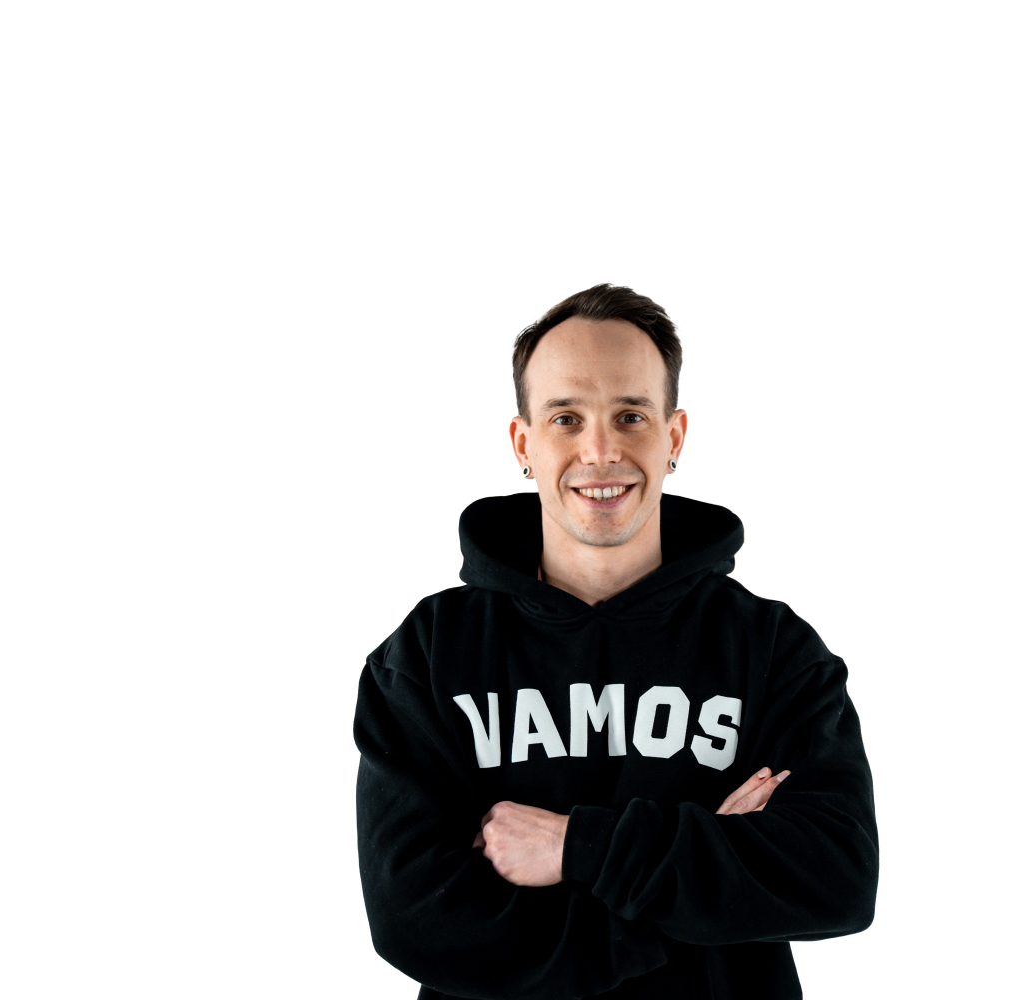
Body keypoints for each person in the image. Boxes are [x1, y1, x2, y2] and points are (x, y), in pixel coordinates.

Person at [353, 284, 878, 999]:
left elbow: (836, 878)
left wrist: (575, 848)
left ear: (673, 437)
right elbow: (416, 919)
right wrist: (696, 888)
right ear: (523, 443)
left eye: (630, 416)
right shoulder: (429, 654)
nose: (600, 451)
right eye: (566, 418)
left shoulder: (771, 650)